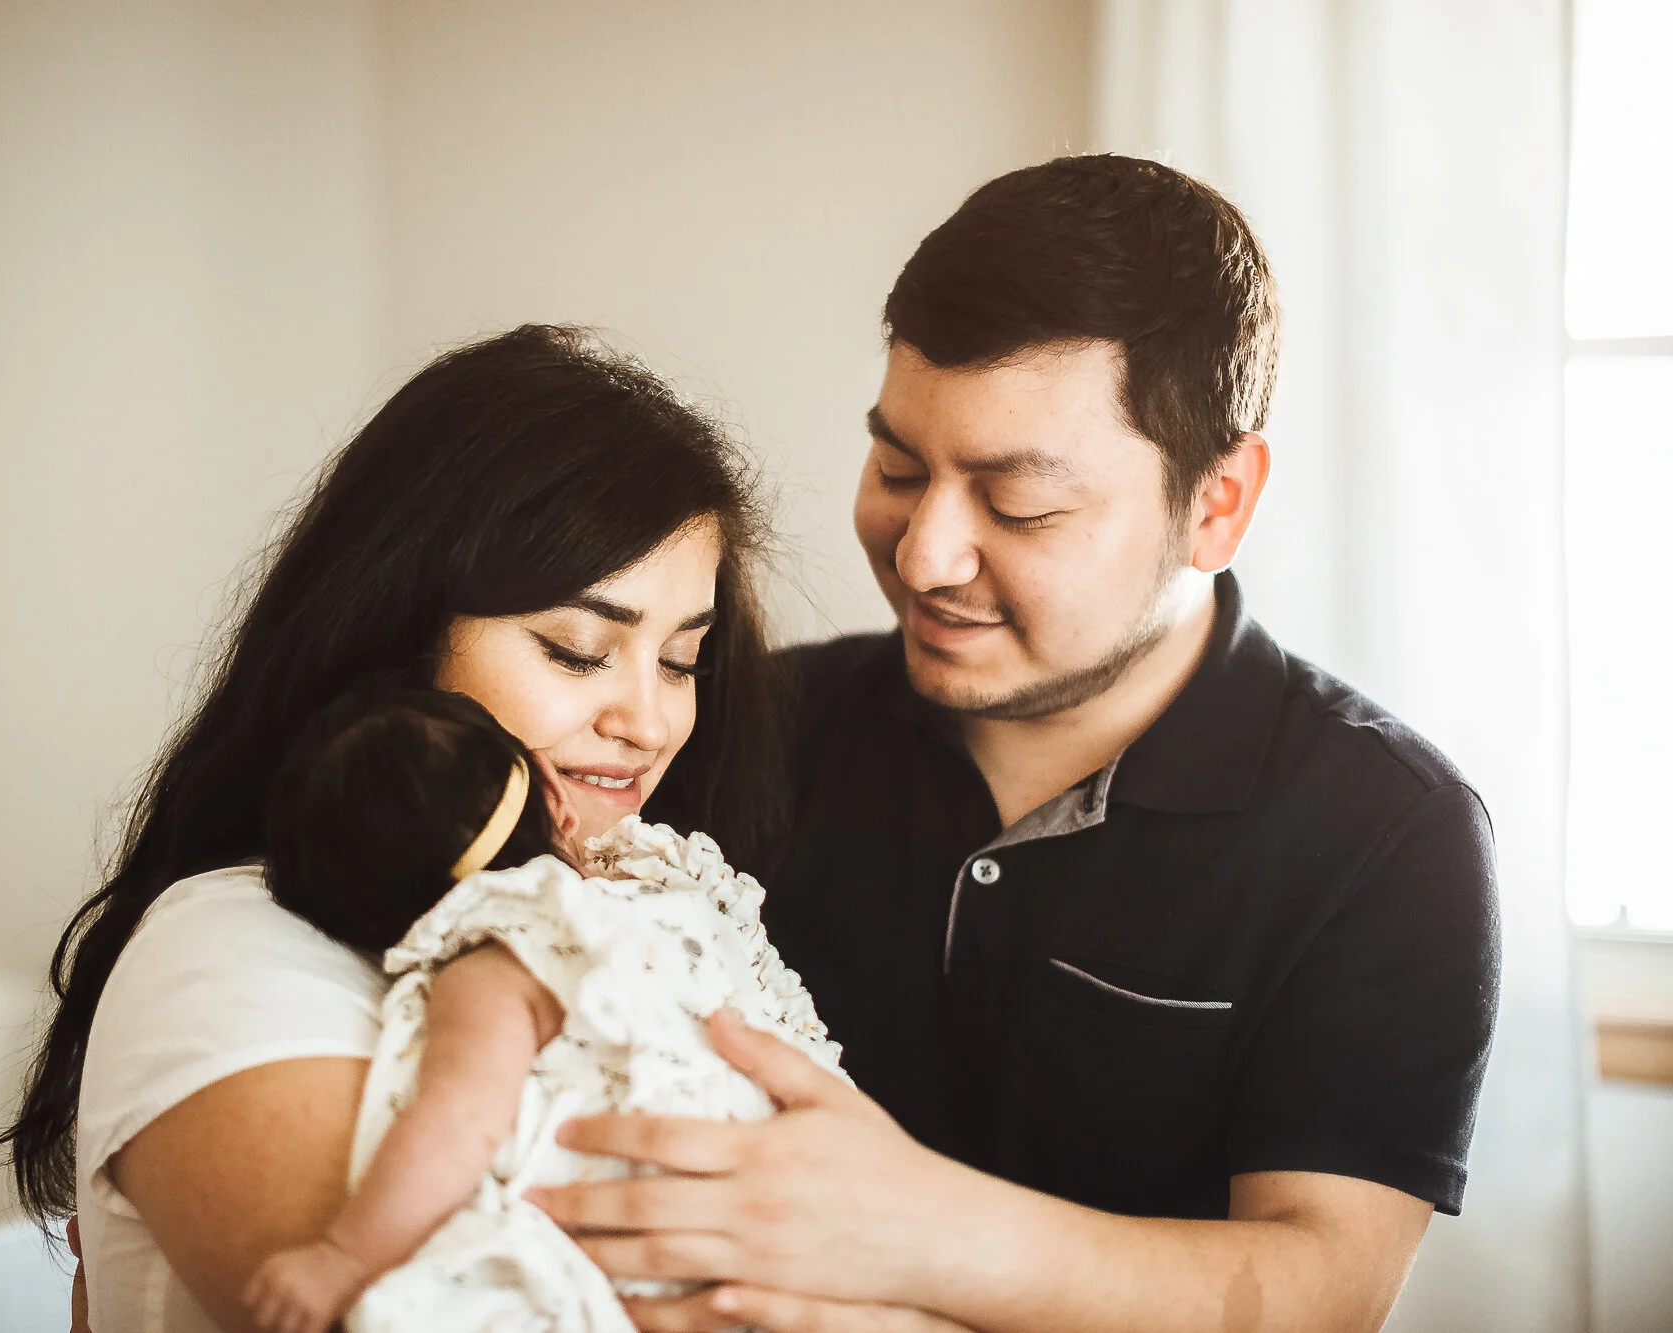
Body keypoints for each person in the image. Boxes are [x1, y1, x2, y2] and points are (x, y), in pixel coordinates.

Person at [529, 154, 1502, 1333]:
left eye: (1019, 505)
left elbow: (1319, 1290)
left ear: (1217, 503)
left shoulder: (1386, 831)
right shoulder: (740, 720)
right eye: (897, 466)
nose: (924, 554)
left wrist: (916, 1228)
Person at [2, 323, 866, 1333]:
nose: (648, 721)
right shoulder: (228, 947)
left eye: (681, 661)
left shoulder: (623, 915)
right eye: (577, 649)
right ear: (399, 628)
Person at [242, 683, 843, 1332]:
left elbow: (461, 1119)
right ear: (556, 801)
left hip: (672, 1248)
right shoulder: (655, 892)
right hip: (796, 1220)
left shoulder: (494, 954)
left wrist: (341, 1255)